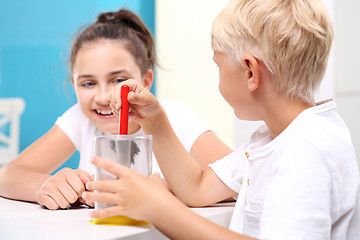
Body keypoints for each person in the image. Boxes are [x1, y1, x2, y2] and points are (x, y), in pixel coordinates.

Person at [82, 0, 360, 239]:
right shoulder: (272, 139)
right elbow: (198, 188)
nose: (218, 76)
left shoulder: (305, 150)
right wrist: (154, 121)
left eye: (219, 65)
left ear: (250, 71)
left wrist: (159, 209)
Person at [0, 9, 232, 210]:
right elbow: (7, 175)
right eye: (88, 83)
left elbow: (243, 179)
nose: (103, 97)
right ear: (74, 85)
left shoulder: (174, 117)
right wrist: (44, 186)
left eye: (118, 80)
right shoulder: (81, 119)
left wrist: (177, 188)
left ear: (146, 80)